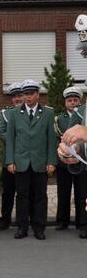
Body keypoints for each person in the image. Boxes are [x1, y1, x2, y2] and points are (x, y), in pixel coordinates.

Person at [6, 79, 56, 240]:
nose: (27, 97)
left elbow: (51, 139)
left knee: (40, 196)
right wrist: (10, 161)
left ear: (37, 95)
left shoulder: (48, 113)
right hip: (21, 162)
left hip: (40, 162)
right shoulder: (14, 113)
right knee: (22, 196)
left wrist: (51, 161)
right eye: (25, 94)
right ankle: (22, 227)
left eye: (31, 93)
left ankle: (39, 228)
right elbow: (10, 139)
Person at [0, 83, 25, 230]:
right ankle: (5, 220)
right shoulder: (5, 113)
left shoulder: (30, 112)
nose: (17, 99)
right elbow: (0, 132)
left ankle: (23, 220)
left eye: (19, 95)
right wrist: (19, 139)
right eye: (14, 96)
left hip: (26, 159)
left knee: (24, 193)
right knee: (8, 192)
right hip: (10, 159)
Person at [54, 86, 83, 231]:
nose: (72, 103)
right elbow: (56, 139)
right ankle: (62, 221)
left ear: (80, 102)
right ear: (65, 103)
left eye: (75, 100)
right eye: (70, 100)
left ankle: (81, 221)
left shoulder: (84, 117)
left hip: (80, 161)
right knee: (63, 192)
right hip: (63, 161)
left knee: (81, 193)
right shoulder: (59, 119)